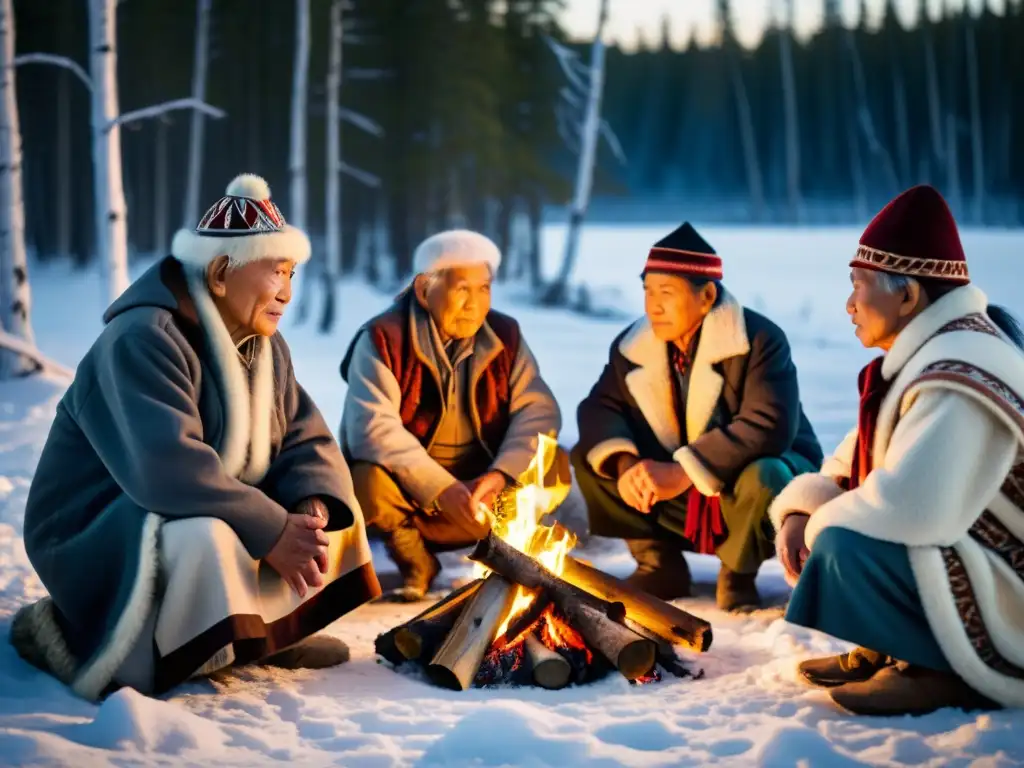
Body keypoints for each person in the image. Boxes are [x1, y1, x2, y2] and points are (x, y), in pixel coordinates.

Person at [11, 174, 380, 701]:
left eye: (291, 273)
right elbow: (167, 468)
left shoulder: (266, 348)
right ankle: (148, 654)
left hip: (200, 505)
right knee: (210, 534)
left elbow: (307, 438)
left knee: (331, 517)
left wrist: (311, 504)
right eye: (275, 272)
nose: (286, 293)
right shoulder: (143, 337)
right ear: (221, 273)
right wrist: (273, 529)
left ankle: (259, 637)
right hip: (101, 526)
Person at [770, 184, 1024, 716]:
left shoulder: (959, 372)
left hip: (1009, 593)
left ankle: (941, 670)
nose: (849, 304)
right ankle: (892, 648)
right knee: (842, 528)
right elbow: (857, 458)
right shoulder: (930, 356)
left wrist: (818, 526)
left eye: (859, 286)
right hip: (979, 556)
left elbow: (911, 509)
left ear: (908, 296)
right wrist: (800, 507)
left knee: (847, 543)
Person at [572, 223, 823, 612]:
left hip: (751, 488)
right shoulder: (633, 346)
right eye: (648, 292)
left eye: (666, 294)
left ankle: (738, 572)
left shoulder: (758, 340)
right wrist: (627, 465)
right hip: (678, 495)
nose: (653, 306)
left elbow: (768, 424)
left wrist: (683, 472)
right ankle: (658, 562)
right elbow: (600, 409)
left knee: (767, 473)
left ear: (706, 296)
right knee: (594, 458)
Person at [340, 230, 561, 601]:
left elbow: (538, 411)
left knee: (555, 462)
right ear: (425, 290)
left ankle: (509, 561)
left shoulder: (505, 335)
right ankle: (415, 560)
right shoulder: (382, 338)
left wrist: (499, 474)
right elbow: (372, 428)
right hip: (414, 496)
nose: (475, 304)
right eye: (462, 289)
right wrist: (441, 489)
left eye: (484, 289)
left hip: (485, 493)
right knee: (366, 481)